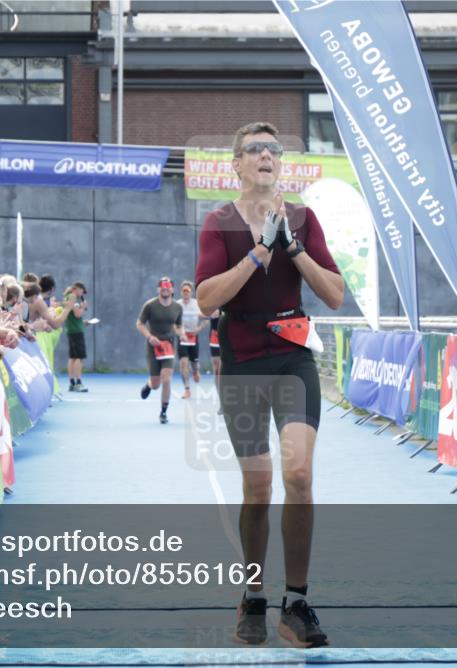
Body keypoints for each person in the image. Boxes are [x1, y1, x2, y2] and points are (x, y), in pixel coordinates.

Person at [195, 122, 343, 648]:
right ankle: (253, 594)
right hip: (242, 363)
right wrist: (258, 252)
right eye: (254, 149)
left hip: (293, 359)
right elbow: (207, 300)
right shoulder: (219, 222)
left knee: (299, 474)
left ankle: (297, 602)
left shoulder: (303, 218)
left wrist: (293, 248)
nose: (265, 156)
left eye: (274, 151)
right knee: (258, 486)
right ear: (236, 164)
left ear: (280, 165)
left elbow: (335, 295)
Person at [136, 276, 183, 424]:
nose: (165, 289)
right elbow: (140, 323)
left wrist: (181, 333)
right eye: (163, 287)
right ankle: (149, 385)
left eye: (168, 287)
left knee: (167, 379)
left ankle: (163, 412)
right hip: (153, 346)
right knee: (156, 384)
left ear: (172, 289)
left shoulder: (177, 307)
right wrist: (149, 337)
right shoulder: (150, 305)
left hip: (168, 346)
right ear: (158, 289)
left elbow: (178, 325)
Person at [176, 280, 206, 399]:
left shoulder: (197, 304)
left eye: (188, 291)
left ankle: (195, 371)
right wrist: (180, 332)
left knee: (194, 363)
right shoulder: (177, 305)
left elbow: (207, 318)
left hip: (193, 336)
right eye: (184, 291)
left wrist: (198, 329)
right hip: (182, 336)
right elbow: (173, 323)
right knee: (183, 363)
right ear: (181, 292)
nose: (186, 293)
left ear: (191, 292)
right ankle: (187, 389)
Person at [64, 281, 89, 392]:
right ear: (77, 288)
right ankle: (78, 382)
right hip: (75, 332)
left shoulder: (69, 297)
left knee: (73, 357)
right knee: (78, 357)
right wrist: (83, 307)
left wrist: (83, 322)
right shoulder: (72, 297)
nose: (82, 294)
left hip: (74, 329)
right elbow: (77, 314)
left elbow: (74, 317)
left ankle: (72, 382)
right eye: (82, 291)